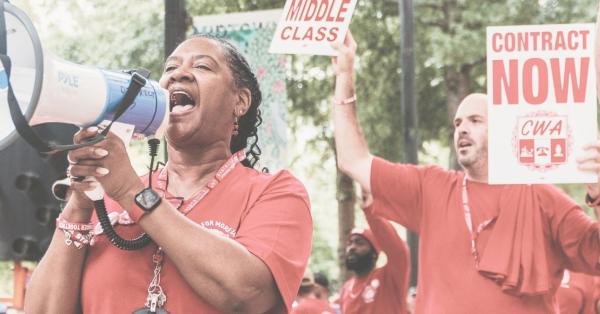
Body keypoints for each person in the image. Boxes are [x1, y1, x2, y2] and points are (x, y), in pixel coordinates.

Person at [24, 34, 312, 314]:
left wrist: (131, 193)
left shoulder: (275, 191)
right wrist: (79, 205)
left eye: (201, 66)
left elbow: (248, 292)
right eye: (170, 68)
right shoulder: (110, 197)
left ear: (240, 102)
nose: (178, 75)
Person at [330, 27, 600, 314]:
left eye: (474, 120)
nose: (462, 129)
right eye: (457, 124)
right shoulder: (431, 185)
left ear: (501, 128)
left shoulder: (542, 196)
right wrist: (345, 75)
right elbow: (352, 159)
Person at [337, 192, 410, 314]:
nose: (352, 247)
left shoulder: (389, 276)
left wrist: (371, 211)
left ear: (374, 253)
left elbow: (399, 250)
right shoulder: (346, 289)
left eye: (359, 243)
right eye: (350, 243)